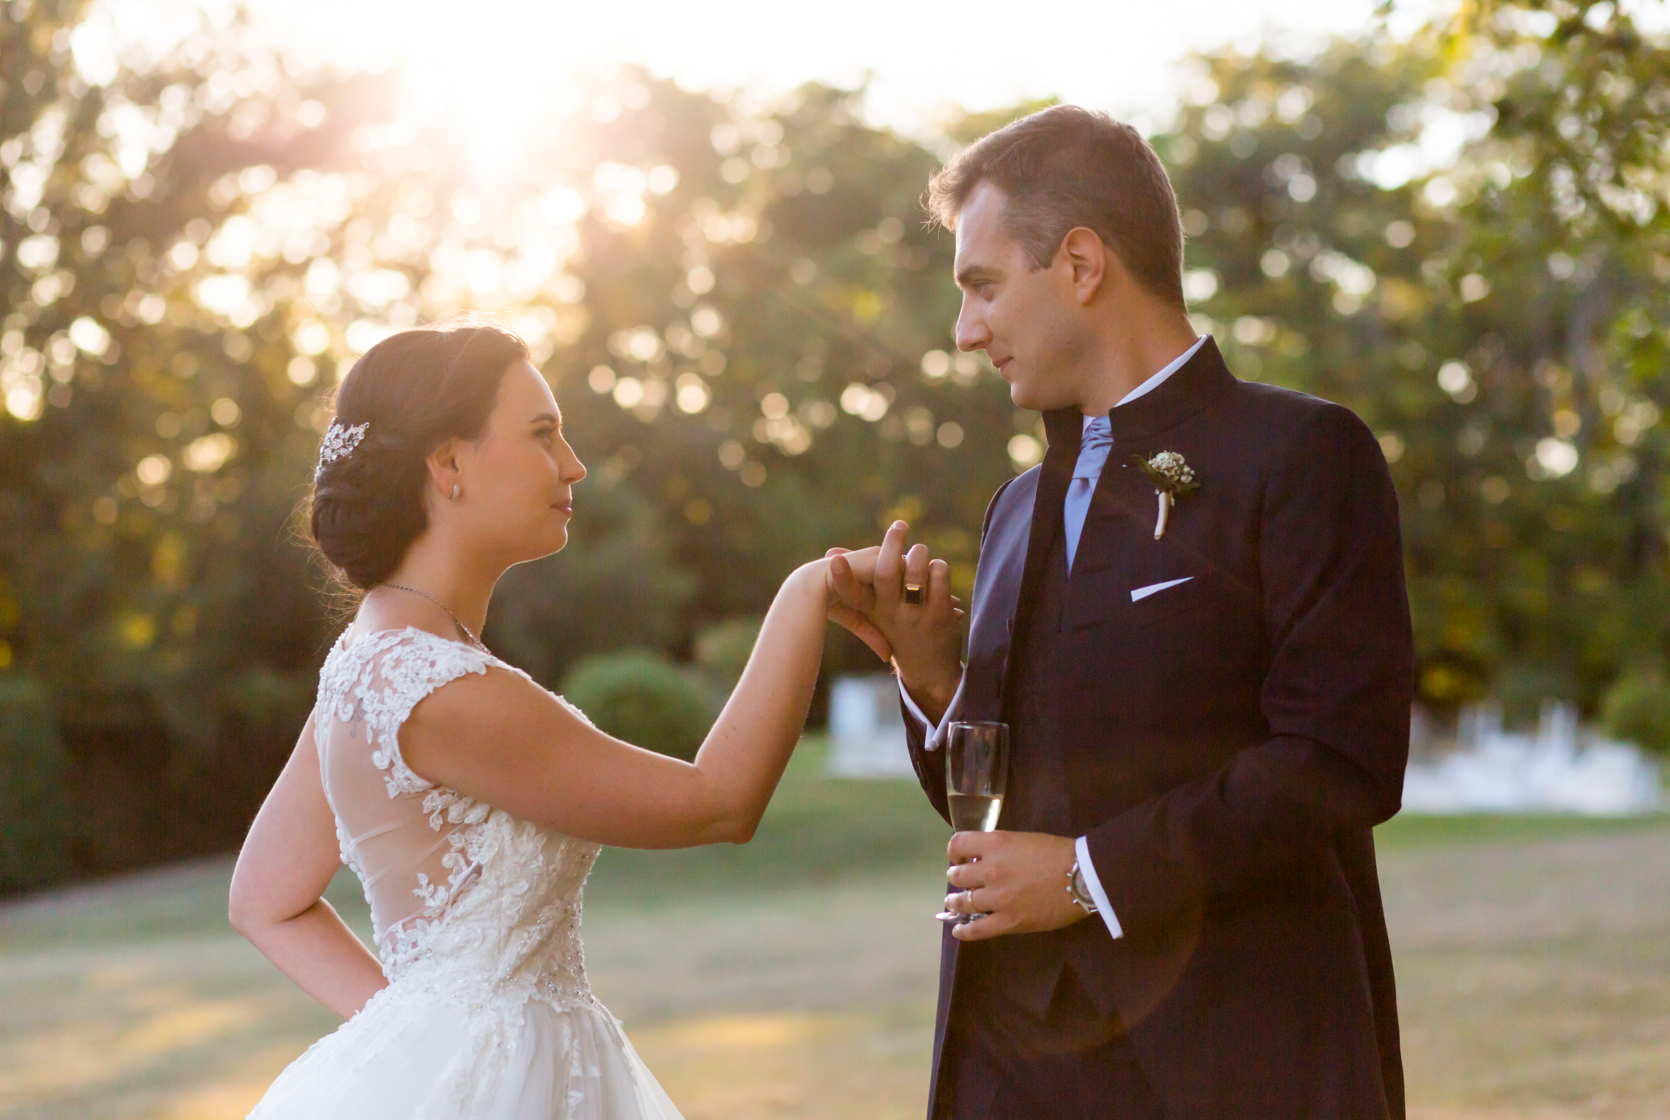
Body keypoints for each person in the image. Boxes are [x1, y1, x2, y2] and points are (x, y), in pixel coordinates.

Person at [829, 105, 1412, 1119]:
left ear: (1082, 265)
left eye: (983, 286)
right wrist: (935, 684)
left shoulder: (1304, 455)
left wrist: (1086, 878)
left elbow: (1340, 757)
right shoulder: (1013, 510)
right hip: (1009, 1062)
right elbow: (1004, 806)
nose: (967, 332)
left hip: (1237, 1060)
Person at [228, 319, 887, 1120]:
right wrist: (805, 592)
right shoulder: (435, 687)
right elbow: (718, 800)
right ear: (447, 463)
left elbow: (263, 896)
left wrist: (418, 1038)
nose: (572, 465)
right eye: (544, 435)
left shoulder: (371, 665)